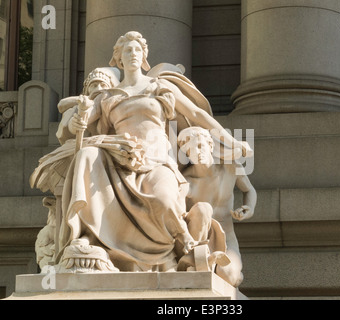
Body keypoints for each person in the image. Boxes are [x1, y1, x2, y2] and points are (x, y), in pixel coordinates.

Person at [31, 31, 252, 273]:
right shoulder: (108, 96)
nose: (133, 54)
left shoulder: (159, 87)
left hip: (157, 159)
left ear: (144, 57)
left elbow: (197, 115)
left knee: (165, 199)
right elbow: (78, 123)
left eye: (137, 50)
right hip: (119, 159)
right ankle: (85, 236)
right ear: (119, 59)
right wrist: (77, 122)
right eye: (128, 50)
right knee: (87, 154)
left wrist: (231, 140)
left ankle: (181, 239)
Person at [178, 126, 257, 287]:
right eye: (190, 150)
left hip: (228, 238)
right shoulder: (187, 182)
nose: (197, 152)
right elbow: (175, 211)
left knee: (227, 276)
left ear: (210, 145)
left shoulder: (231, 168)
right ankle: (201, 260)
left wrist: (249, 208)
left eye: (200, 146)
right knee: (202, 208)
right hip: (199, 240)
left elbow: (249, 190)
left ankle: (228, 271)